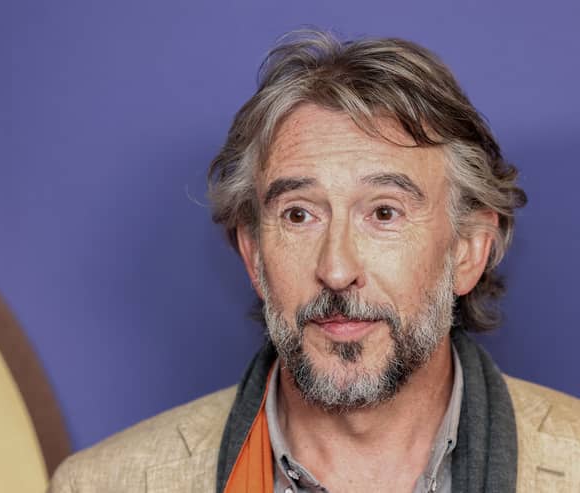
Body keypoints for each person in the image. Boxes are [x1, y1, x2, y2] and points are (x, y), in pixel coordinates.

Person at [49, 30, 580, 493]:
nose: (336, 268)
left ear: (468, 250)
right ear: (254, 255)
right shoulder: (101, 485)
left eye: (384, 212)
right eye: (300, 215)